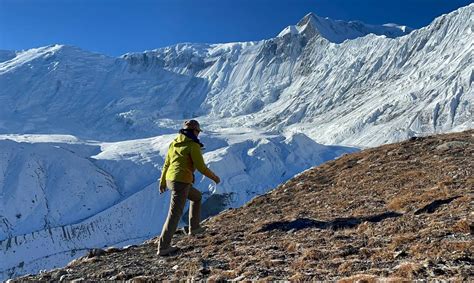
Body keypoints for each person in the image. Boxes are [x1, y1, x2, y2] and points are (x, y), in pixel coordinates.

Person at [157, 119, 221, 256]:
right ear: (193, 131)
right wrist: (215, 178)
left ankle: (195, 227)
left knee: (197, 197)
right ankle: (163, 247)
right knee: (174, 214)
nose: (198, 134)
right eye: (198, 131)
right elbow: (201, 167)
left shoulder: (174, 143)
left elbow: (166, 164)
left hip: (171, 179)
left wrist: (162, 182)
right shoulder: (193, 145)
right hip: (181, 181)